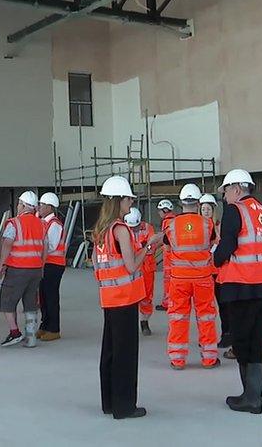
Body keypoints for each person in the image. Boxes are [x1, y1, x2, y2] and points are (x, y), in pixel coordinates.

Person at [94, 176, 163, 420]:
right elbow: (132, 266)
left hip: (109, 297)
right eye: (128, 198)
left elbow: (96, 264)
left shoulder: (102, 230)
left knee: (110, 351)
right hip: (125, 298)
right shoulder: (120, 229)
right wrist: (150, 246)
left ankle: (109, 403)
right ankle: (125, 406)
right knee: (126, 354)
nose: (131, 202)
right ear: (119, 200)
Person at [214, 169, 262, 415]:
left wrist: (216, 259)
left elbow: (227, 245)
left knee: (241, 341)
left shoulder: (235, 210)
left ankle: (250, 398)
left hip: (241, 286)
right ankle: (254, 396)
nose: (225, 197)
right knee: (256, 340)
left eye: (227, 191)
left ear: (237, 190)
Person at [164, 184, 219, 370]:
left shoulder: (170, 225)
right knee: (206, 317)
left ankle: (177, 360)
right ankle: (209, 359)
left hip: (179, 280)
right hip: (203, 278)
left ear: (181, 203)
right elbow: (212, 243)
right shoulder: (207, 224)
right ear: (198, 203)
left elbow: (168, 245)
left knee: (178, 317)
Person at [0, 191, 46, 348]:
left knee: (7, 300)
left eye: (19, 203)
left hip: (17, 269)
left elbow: (7, 244)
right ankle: (31, 337)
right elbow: (45, 248)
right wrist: (41, 267)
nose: (17, 206)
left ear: (23, 205)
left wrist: (2, 265)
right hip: (35, 270)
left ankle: (14, 332)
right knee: (30, 302)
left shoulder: (14, 223)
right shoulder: (42, 224)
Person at [200, 193, 231, 351]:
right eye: (203, 208)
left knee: (223, 305)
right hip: (203, 273)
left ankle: (227, 334)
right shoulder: (198, 227)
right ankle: (206, 337)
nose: (205, 211)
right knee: (205, 307)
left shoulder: (219, 226)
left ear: (213, 210)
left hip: (218, 273)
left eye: (208, 208)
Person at [37, 192, 67, 341]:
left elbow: (51, 245)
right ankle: (45, 325)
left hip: (53, 265)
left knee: (51, 296)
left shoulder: (54, 224)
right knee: (43, 296)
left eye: (41, 205)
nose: (39, 207)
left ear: (49, 207)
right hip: (46, 264)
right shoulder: (44, 222)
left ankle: (54, 328)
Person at [124, 208, 156, 336]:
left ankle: (144, 322)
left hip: (146, 268)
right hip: (129, 267)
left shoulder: (148, 228)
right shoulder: (123, 229)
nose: (133, 230)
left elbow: (151, 248)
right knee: (129, 298)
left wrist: (141, 248)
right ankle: (129, 324)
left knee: (146, 297)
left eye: (135, 227)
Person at [155, 199, 176, 312]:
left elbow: (164, 239)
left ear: (164, 210)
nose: (159, 213)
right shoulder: (174, 220)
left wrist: (153, 247)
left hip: (169, 256)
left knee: (168, 281)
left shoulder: (166, 221)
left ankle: (167, 303)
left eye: (160, 211)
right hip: (174, 255)